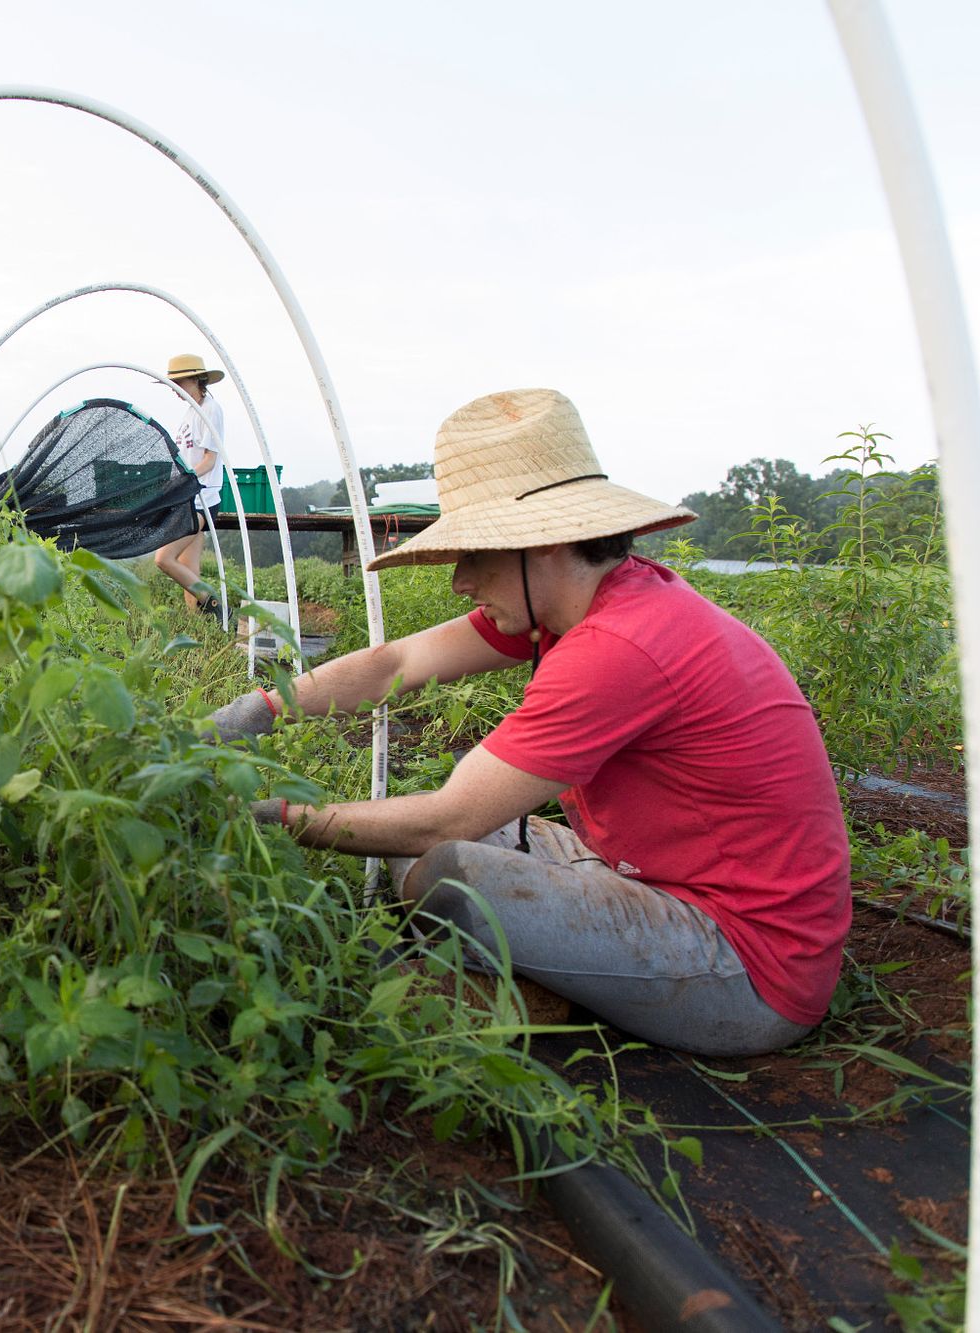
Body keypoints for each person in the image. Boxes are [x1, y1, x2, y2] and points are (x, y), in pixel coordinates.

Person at [209, 388, 849, 1057]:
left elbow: (446, 820)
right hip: (641, 877)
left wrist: (271, 814)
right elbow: (396, 661)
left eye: (476, 552)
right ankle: (558, 974)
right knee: (401, 833)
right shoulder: (586, 604)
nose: (459, 579)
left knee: (446, 865)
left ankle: (539, 990)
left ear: (541, 544)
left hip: (746, 965)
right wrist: (262, 707)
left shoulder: (618, 647)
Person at [151, 354, 227, 617]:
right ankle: (200, 625)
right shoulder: (190, 412)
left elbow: (209, 460)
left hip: (202, 498)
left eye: (179, 383)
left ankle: (214, 603)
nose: (176, 390)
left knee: (164, 559)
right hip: (189, 498)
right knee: (188, 569)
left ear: (196, 379)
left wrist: (184, 481)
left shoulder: (210, 410)